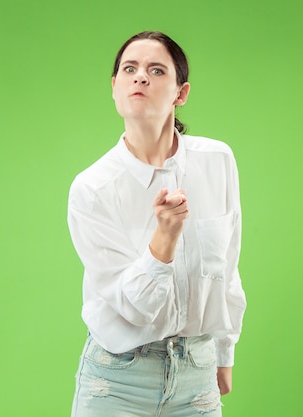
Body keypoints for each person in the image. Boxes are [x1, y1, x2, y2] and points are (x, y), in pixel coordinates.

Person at [67, 31, 247, 417]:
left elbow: (228, 266)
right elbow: (135, 308)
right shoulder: (93, 189)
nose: (140, 77)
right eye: (129, 69)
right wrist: (164, 236)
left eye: (156, 70)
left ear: (180, 93)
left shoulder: (217, 161)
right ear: (115, 87)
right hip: (118, 380)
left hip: (197, 372)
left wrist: (223, 351)